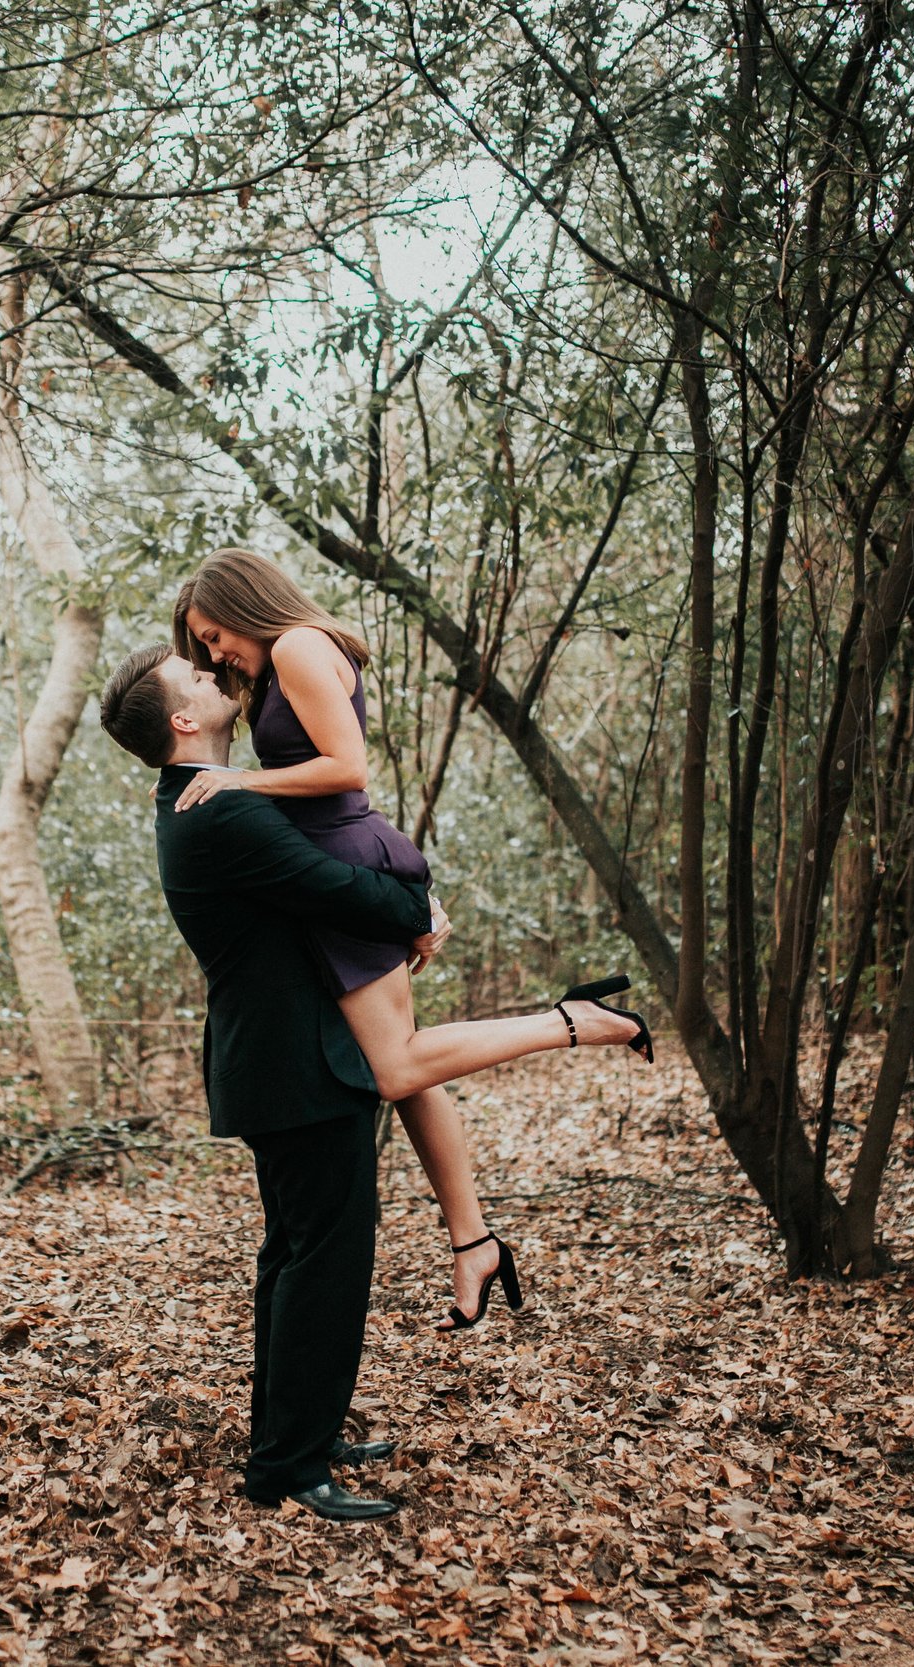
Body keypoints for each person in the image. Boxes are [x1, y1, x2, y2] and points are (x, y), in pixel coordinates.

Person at [98, 643, 646, 1519]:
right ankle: (290, 1469)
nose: (211, 672)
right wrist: (419, 911)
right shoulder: (220, 814)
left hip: (281, 1064)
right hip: (298, 1068)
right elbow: (337, 888)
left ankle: (296, 1436)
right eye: (197, 678)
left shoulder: (194, 806)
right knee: (325, 1262)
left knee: (293, 1257)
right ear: (183, 721)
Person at [170, 547, 651, 1328]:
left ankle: (572, 1023)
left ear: (248, 602)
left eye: (215, 633)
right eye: (204, 647)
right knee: (403, 1060)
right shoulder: (283, 659)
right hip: (335, 875)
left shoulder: (294, 645)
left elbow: (347, 768)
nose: (216, 653)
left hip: (346, 866)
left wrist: (242, 779)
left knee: (395, 1066)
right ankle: (473, 1239)